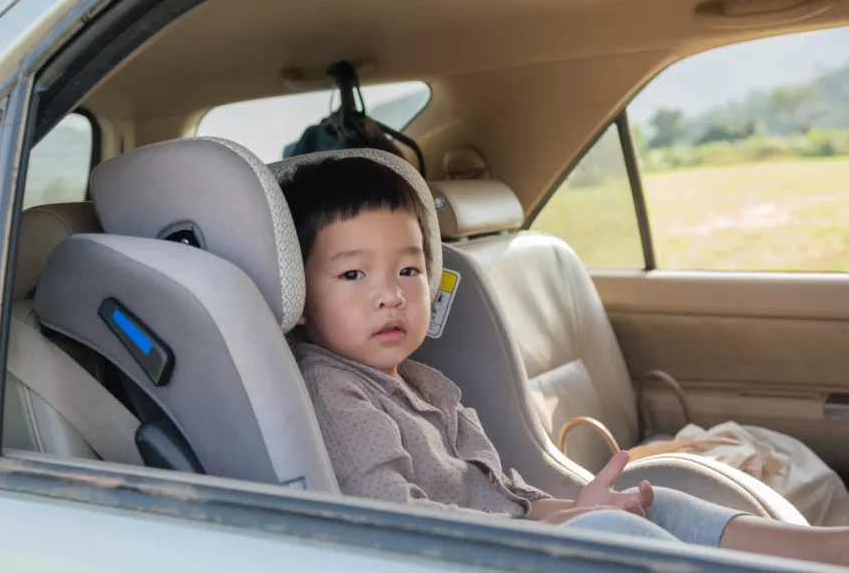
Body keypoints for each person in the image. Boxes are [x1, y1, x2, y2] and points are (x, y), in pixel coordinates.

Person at [279, 156, 848, 566]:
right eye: (353, 274)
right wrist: (572, 524)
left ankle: (825, 550)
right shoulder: (336, 392)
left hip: (508, 539)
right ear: (299, 295)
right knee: (610, 531)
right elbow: (399, 523)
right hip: (462, 556)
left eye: (408, 270)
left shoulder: (423, 383)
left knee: (651, 506)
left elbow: (500, 493)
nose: (391, 294)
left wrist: (569, 508)